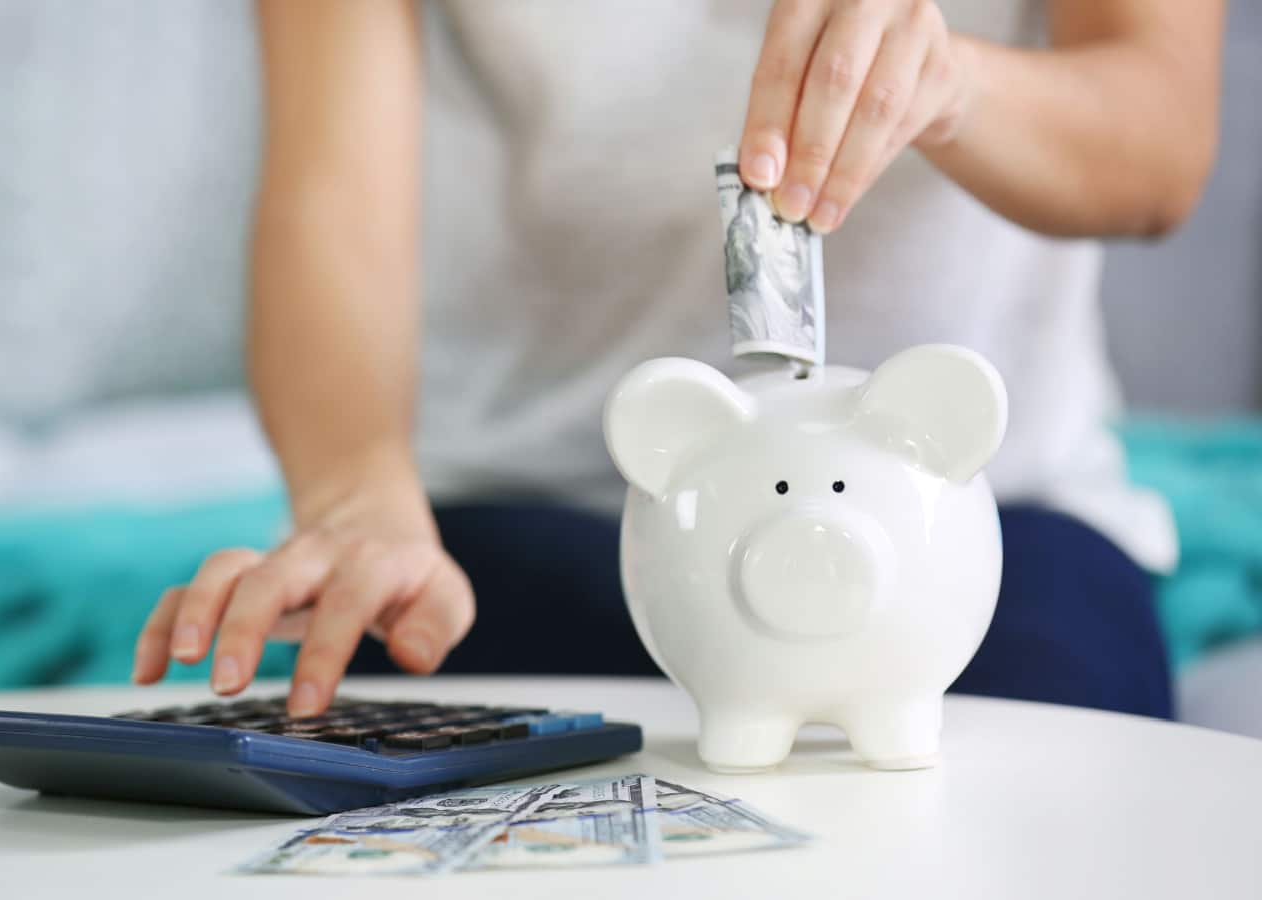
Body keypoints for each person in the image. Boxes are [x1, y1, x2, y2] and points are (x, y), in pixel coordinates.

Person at [132, 0, 1224, 720]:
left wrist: (956, 87)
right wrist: (352, 497)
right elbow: (335, 191)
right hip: (520, 512)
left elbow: (1159, 142)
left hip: (978, 518)